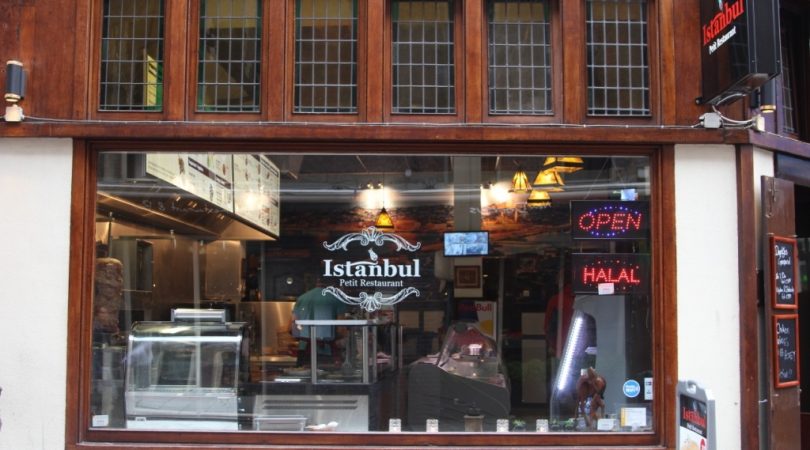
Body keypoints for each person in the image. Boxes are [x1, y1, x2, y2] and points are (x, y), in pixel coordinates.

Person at [291, 277, 349, 366]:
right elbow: (341, 329)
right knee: (326, 373)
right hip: (326, 351)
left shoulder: (302, 298)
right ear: (333, 285)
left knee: (305, 373)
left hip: (304, 349)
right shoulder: (336, 299)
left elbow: (292, 326)